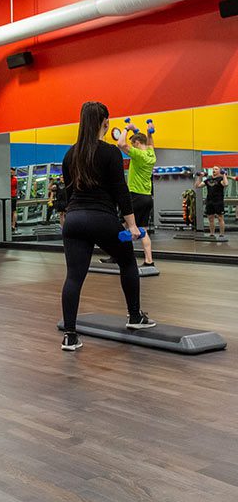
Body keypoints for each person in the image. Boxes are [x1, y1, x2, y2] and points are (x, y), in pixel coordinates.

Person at [60, 101, 155, 352]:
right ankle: (134, 317)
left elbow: (69, 195)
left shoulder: (70, 154)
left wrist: (72, 219)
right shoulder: (110, 153)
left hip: (74, 220)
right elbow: (121, 192)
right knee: (127, 261)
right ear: (105, 123)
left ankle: (70, 336)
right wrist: (132, 226)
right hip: (101, 218)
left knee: (73, 276)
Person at [116, 123, 156, 266]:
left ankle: (118, 257)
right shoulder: (151, 154)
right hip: (147, 197)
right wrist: (149, 132)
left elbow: (120, 143)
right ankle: (149, 261)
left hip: (135, 196)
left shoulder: (138, 154)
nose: (131, 146)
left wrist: (127, 128)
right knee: (142, 229)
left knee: (121, 226)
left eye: (133, 143)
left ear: (137, 143)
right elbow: (150, 143)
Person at [196, 167, 229, 238]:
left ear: (220, 171)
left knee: (220, 218)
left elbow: (226, 184)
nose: (214, 170)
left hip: (218, 201)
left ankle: (222, 234)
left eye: (216, 169)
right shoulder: (208, 179)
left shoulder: (220, 179)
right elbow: (197, 186)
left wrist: (224, 175)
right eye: (213, 169)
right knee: (210, 218)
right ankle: (212, 234)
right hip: (209, 201)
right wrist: (199, 177)